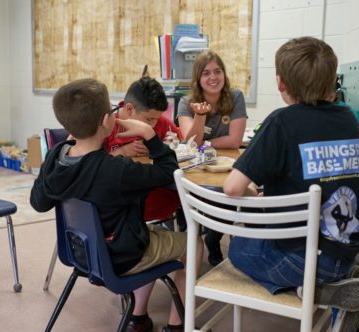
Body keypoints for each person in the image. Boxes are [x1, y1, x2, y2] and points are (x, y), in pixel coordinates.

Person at [222, 37, 359, 331]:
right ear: (332, 80)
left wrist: (254, 191)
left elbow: (232, 188)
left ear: (281, 84)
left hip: (300, 260)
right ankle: (336, 278)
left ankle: (314, 289)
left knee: (237, 248)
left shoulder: (281, 121)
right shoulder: (349, 119)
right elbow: (349, 174)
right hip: (345, 250)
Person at [30, 78, 198, 332]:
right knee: (195, 243)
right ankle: (177, 325)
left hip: (80, 251)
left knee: (152, 234)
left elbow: (38, 203)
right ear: (105, 121)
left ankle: (139, 319)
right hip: (120, 255)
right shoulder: (116, 170)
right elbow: (169, 171)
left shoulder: (56, 155)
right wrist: (149, 134)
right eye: (110, 109)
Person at [176, 50, 247, 266]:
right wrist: (199, 116)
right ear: (198, 78)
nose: (213, 77)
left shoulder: (235, 97)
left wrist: (204, 144)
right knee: (187, 196)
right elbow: (191, 144)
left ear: (224, 75)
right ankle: (194, 238)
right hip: (197, 168)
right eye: (206, 73)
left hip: (226, 167)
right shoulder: (186, 102)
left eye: (218, 71)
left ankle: (214, 238)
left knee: (231, 197)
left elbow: (234, 141)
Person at [104, 77, 183, 223]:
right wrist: (121, 152)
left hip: (160, 196)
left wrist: (158, 148)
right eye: (148, 120)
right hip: (121, 205)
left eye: (156, 120)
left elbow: (182, 145)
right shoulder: (107, 126)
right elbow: (92, 167)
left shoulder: (159, 121)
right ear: (129, 109)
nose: (152, 126)